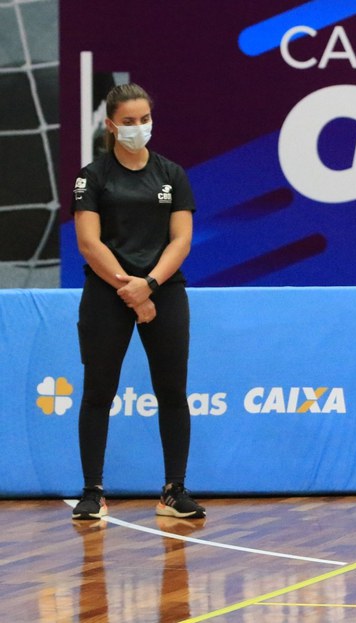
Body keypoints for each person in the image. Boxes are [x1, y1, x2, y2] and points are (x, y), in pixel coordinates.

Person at [70, 83, 204, 520]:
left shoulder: (171, 174)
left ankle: (174, 490)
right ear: (110, 125)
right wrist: (130, 290)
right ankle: (92, 492)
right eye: (128, 122)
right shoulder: (92, 177)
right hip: (106, 295)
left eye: (144, 119)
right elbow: (90, 244)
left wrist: (149, 285)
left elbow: (181, 240)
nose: (138, 128)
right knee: (98, 393)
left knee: (172, 392)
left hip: (163, 290)